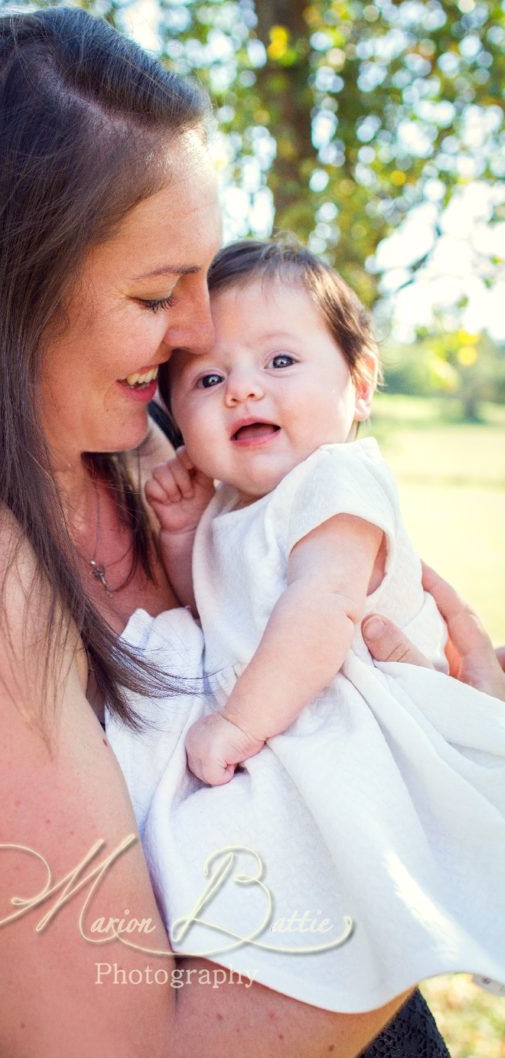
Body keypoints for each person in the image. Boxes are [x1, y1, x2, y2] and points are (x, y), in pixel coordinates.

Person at [0, 8, 501, 1056]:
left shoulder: (155, 458)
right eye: (155, 293)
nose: (200, 332)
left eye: (203, 281)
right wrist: (454, 815)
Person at [106, 238, 505, 1013]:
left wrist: (233, 726)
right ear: (175, 415)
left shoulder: (339, 481)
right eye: (209, 378)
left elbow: (315, 615)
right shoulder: (227, 506)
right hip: (293, 713)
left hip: (365, 715)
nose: (242, 391)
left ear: (357, 387)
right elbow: (224, 610)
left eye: (279, 363)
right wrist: (187, 537)